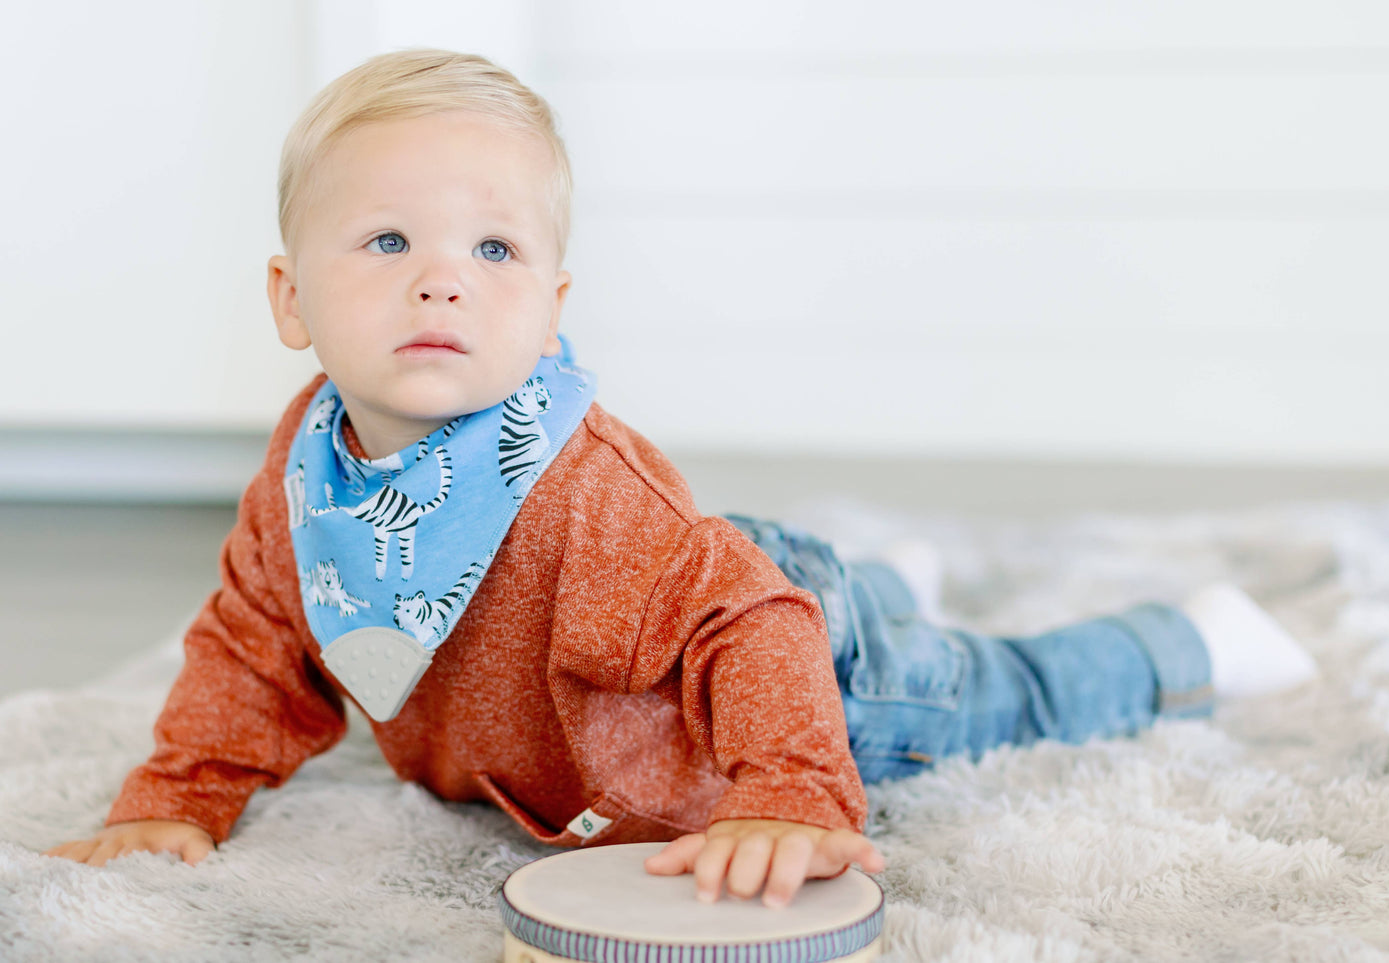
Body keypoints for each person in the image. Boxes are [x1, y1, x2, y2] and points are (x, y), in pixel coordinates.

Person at [43, 49, 1318, 909]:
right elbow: (258, 643)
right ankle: (869, 575)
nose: (441, 278)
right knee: (763, 569)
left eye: (492, 246)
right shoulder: (309, 474)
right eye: (387, 240)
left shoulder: (577, 499)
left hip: (782, 681)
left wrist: (789, 788)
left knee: (1000, 692)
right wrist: (181, 794)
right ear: (289, 297)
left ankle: (1176, 640)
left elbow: (744, 625)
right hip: (715, 580)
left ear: (550, 310)